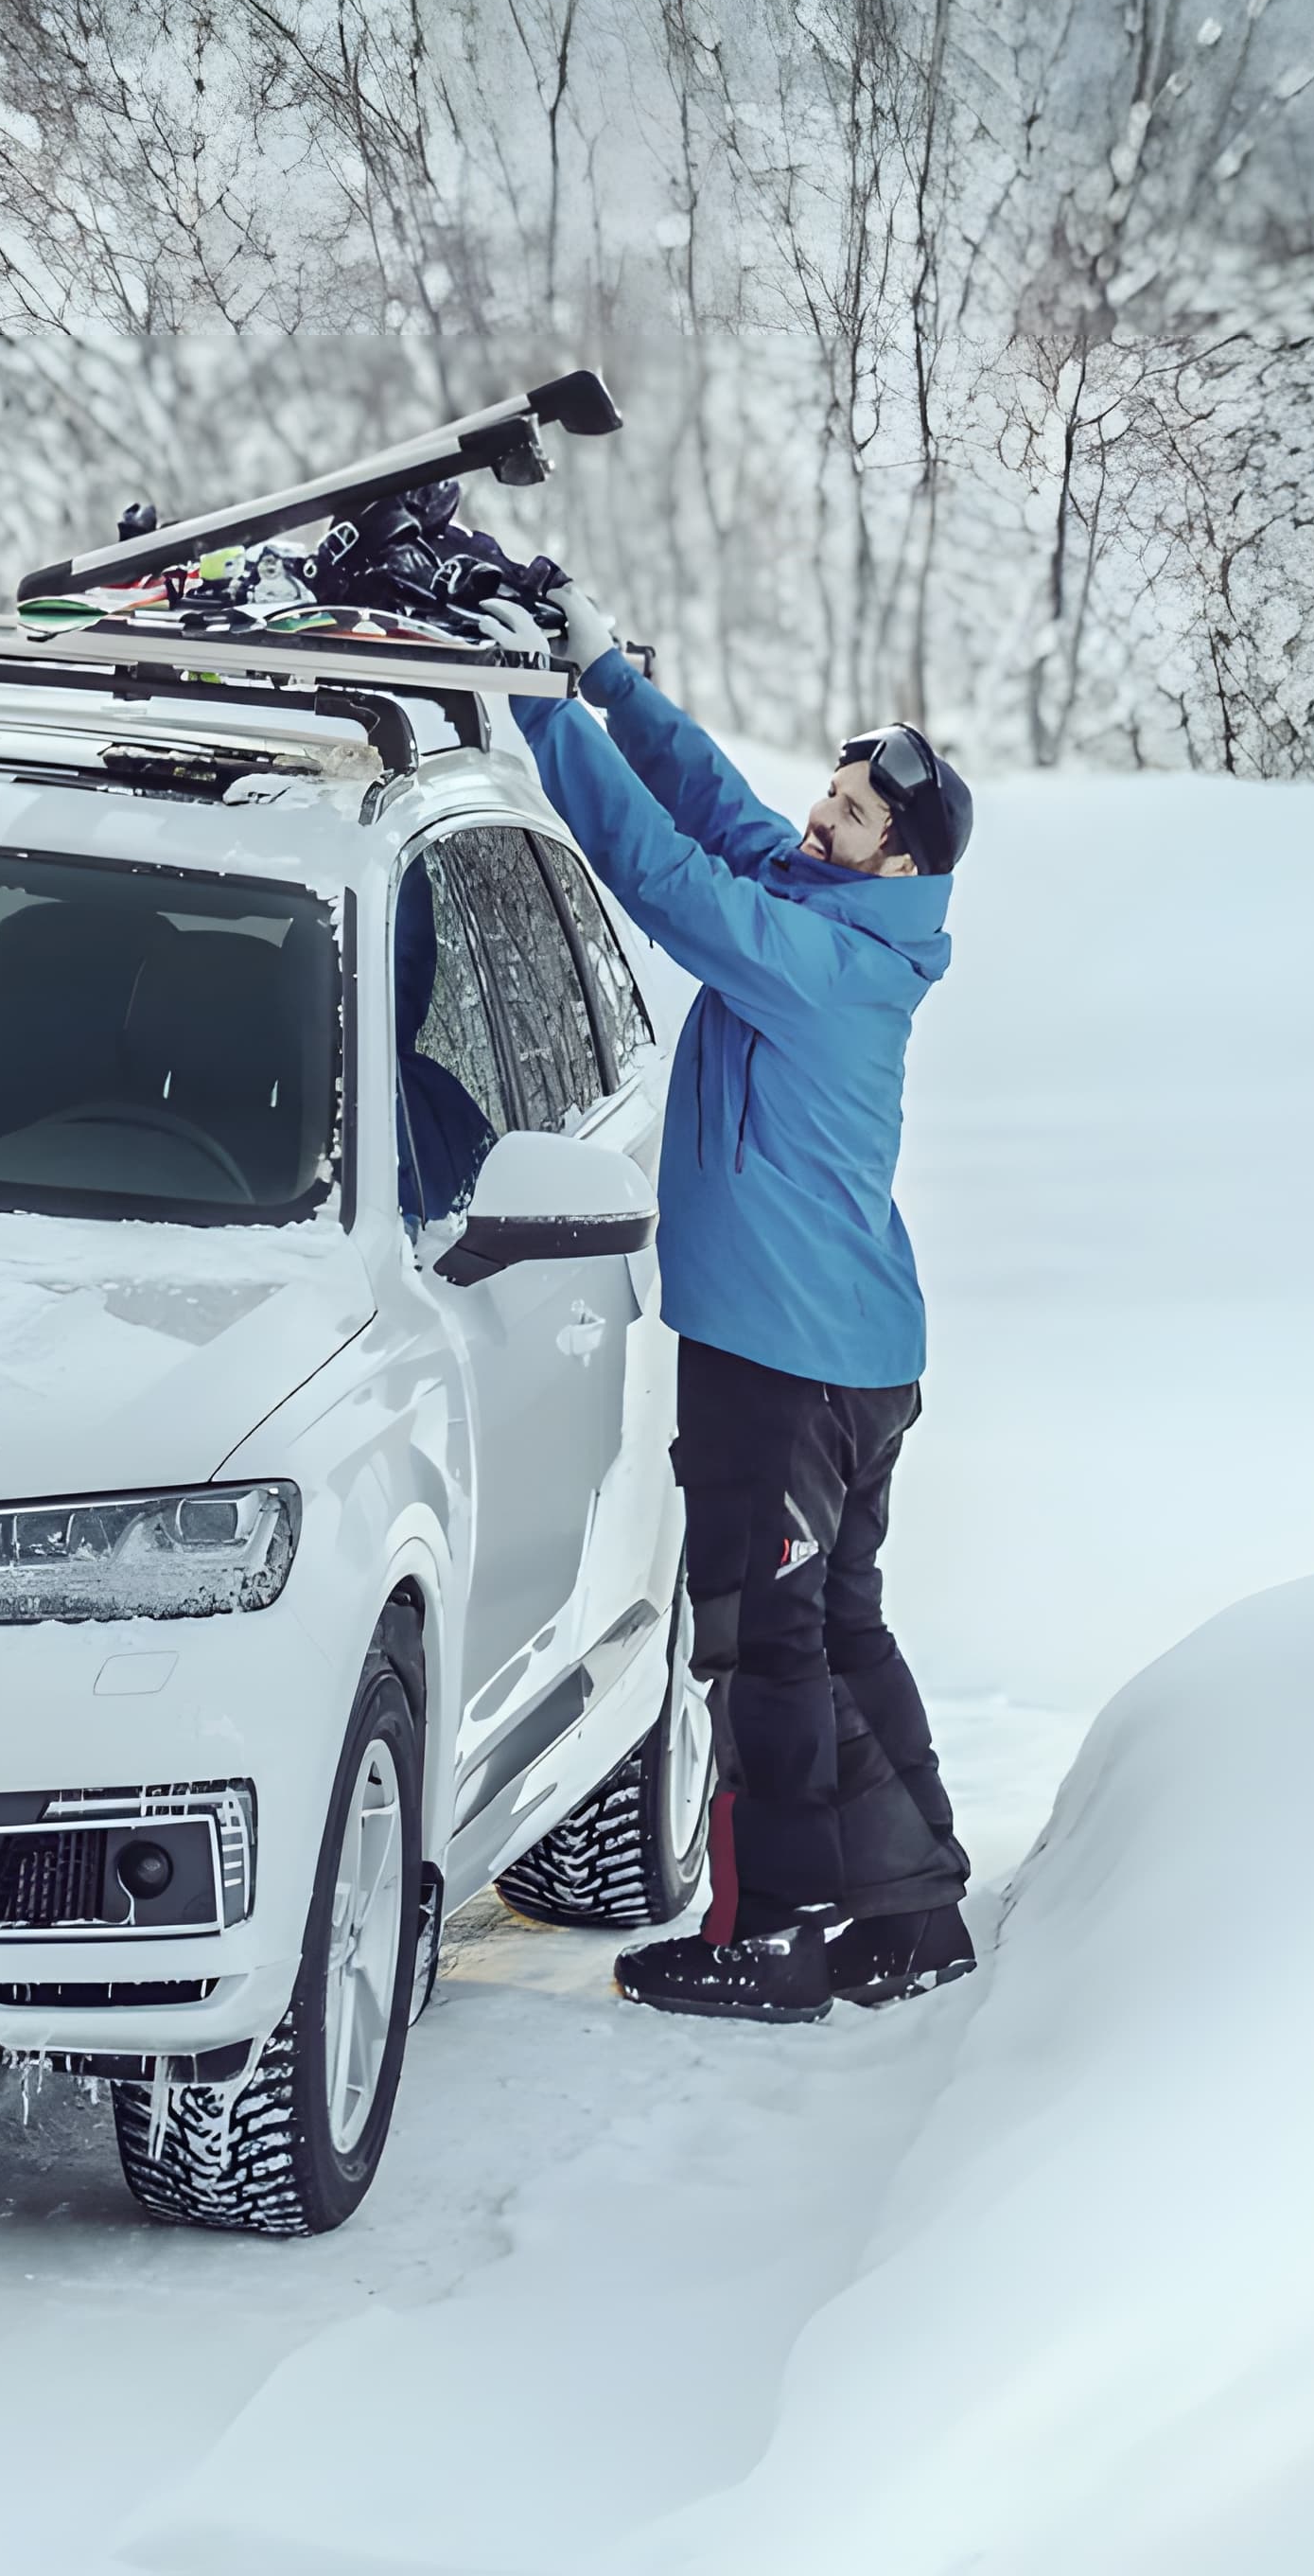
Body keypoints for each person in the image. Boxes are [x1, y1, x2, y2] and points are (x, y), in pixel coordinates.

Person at [504, 596, 980, 2025]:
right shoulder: (841, 912)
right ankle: (914, 1915)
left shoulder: (827, 966)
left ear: (896, 850)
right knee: (836, 1633)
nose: (816, 817)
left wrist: (525, 714)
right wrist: (596, 676)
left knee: (759, 1643)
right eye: (829, 795)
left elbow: (661, 876)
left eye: (843, 810)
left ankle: (770, 1931)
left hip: (784, 1368)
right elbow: (710, 810)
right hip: (847, 1357)